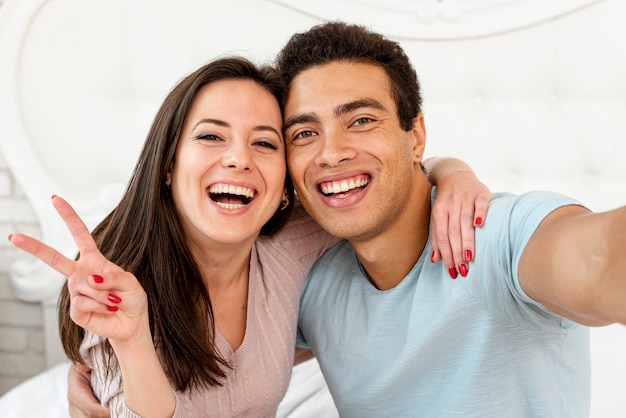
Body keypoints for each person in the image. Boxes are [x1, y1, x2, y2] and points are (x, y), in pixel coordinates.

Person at [8, 56, 490, 417]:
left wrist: (453, 174)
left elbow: (381, 184)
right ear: (169, 166)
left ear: (284, 183)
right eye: (211, 136)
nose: (239, 159)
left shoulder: (293, 241)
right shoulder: (117, 285)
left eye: (263, 143)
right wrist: (132, 340)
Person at [274, 21, 626, 417]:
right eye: (304, 133)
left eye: (361, 121)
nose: (330, 153)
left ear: (416, 137)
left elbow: (601, 257)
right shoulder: (313, 282)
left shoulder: (497, 237)